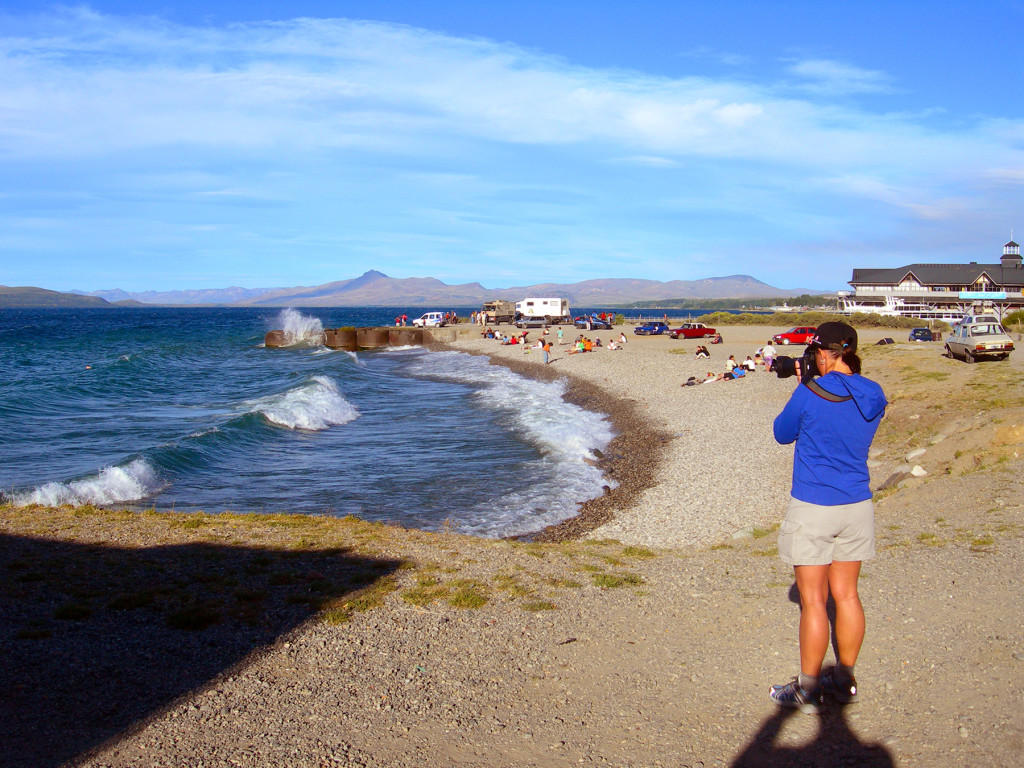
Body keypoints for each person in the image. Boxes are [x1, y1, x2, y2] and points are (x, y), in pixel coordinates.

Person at [768, 322, 888, 714]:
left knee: (814, 602)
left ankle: (806, 689)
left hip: (814, 504)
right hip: (857, 505)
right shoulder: (874, 394)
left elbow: (782, 434)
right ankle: (845, 679)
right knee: (848, 595)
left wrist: (803, 386)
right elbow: (847, 407)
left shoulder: (808, 394)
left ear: (822, 352)